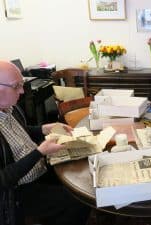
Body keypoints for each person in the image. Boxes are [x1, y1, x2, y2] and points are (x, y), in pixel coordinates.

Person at [0, 61, 90, 225]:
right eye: (16, 86)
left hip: (38, 167)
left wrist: (44, 128)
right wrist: (40, 152)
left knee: (82, 176)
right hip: (18, 191)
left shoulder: (10, 108)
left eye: (22, 84)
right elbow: (3, 179)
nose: (21, 91)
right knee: (77, 202)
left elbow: (21, 131)